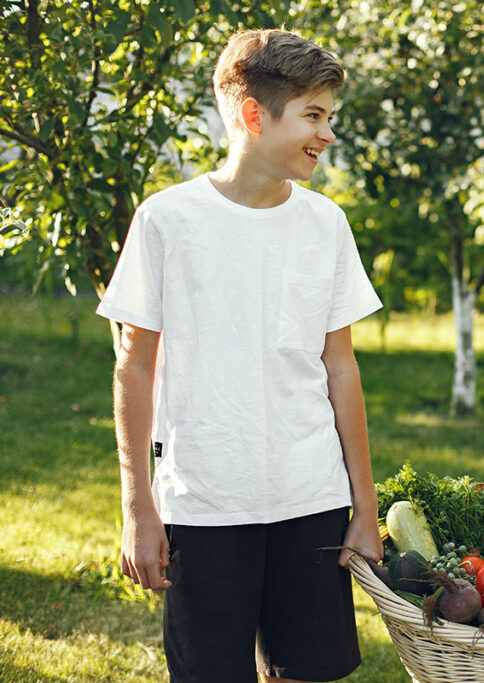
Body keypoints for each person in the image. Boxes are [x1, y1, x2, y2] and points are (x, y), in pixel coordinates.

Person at [96, 29, 383, 683]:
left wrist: (363, 509)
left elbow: (341, 370)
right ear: (254, 114)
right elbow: (133, 367)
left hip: (310, 497)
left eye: (328, 117)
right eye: (313, 115)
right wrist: (138, 509)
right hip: (204, 505)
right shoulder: (167, 220)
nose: (326, 135)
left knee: (305, 673)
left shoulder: (325, 224)